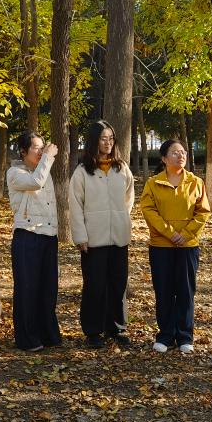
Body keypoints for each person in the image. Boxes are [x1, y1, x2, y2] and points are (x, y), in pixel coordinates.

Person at [138, 139, 210, 353]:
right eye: (175, 152)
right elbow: (149, 211)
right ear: (164, 158)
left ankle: (185, 336)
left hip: (188, 246)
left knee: (186, 291)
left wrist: (185, 235)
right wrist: (170, 233)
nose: (181, 155)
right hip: (161, 245)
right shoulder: (153, 183)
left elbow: (203, 212)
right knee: (164, 290)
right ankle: (166, 335)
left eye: (183, 152)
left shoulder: (196, 182)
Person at [69, 120, 135, 348]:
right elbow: (75, 205)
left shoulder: (121, 168)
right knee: (94, 285)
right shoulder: (82, 172)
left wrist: (121, 218)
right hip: (93, 239)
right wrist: (80, 236)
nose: (108, 143)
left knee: (118, 283)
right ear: (94, 141)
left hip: (119, 237)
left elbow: (128, 198)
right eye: (103, 139)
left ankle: (117, 328)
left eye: (111, 139)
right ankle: (93, 331)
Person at [6, 131, 61, 353]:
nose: (41, 151)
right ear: (23, 151)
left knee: (48, 288)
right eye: (36, 148)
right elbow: (35, 182)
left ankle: (47, 334)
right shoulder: (14, 173)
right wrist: (47, 157)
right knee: (27, 288)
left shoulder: (44, 170)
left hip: (49, 235)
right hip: (27, 235)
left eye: (42, 147)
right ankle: (27, 338)